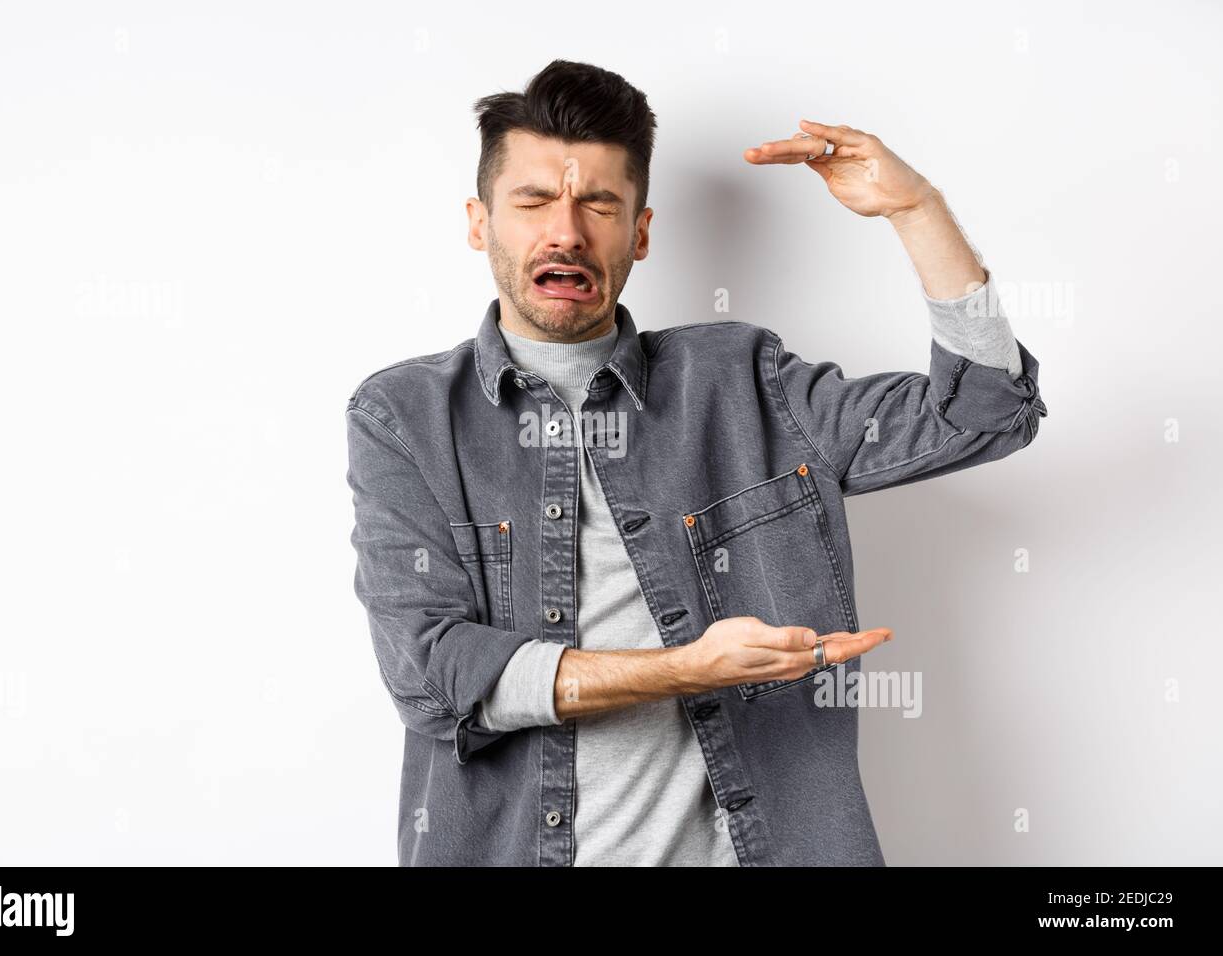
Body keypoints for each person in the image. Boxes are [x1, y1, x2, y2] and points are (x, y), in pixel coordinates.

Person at [344, 59, 1046, 866]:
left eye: (599, 204)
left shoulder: (743, 381)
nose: (565, 232)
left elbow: (985, 416)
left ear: (640, 231)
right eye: (534, 200)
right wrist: (687, 669)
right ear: (480, 221)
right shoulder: (403, 417)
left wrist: (918, 212)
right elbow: (432, 675)